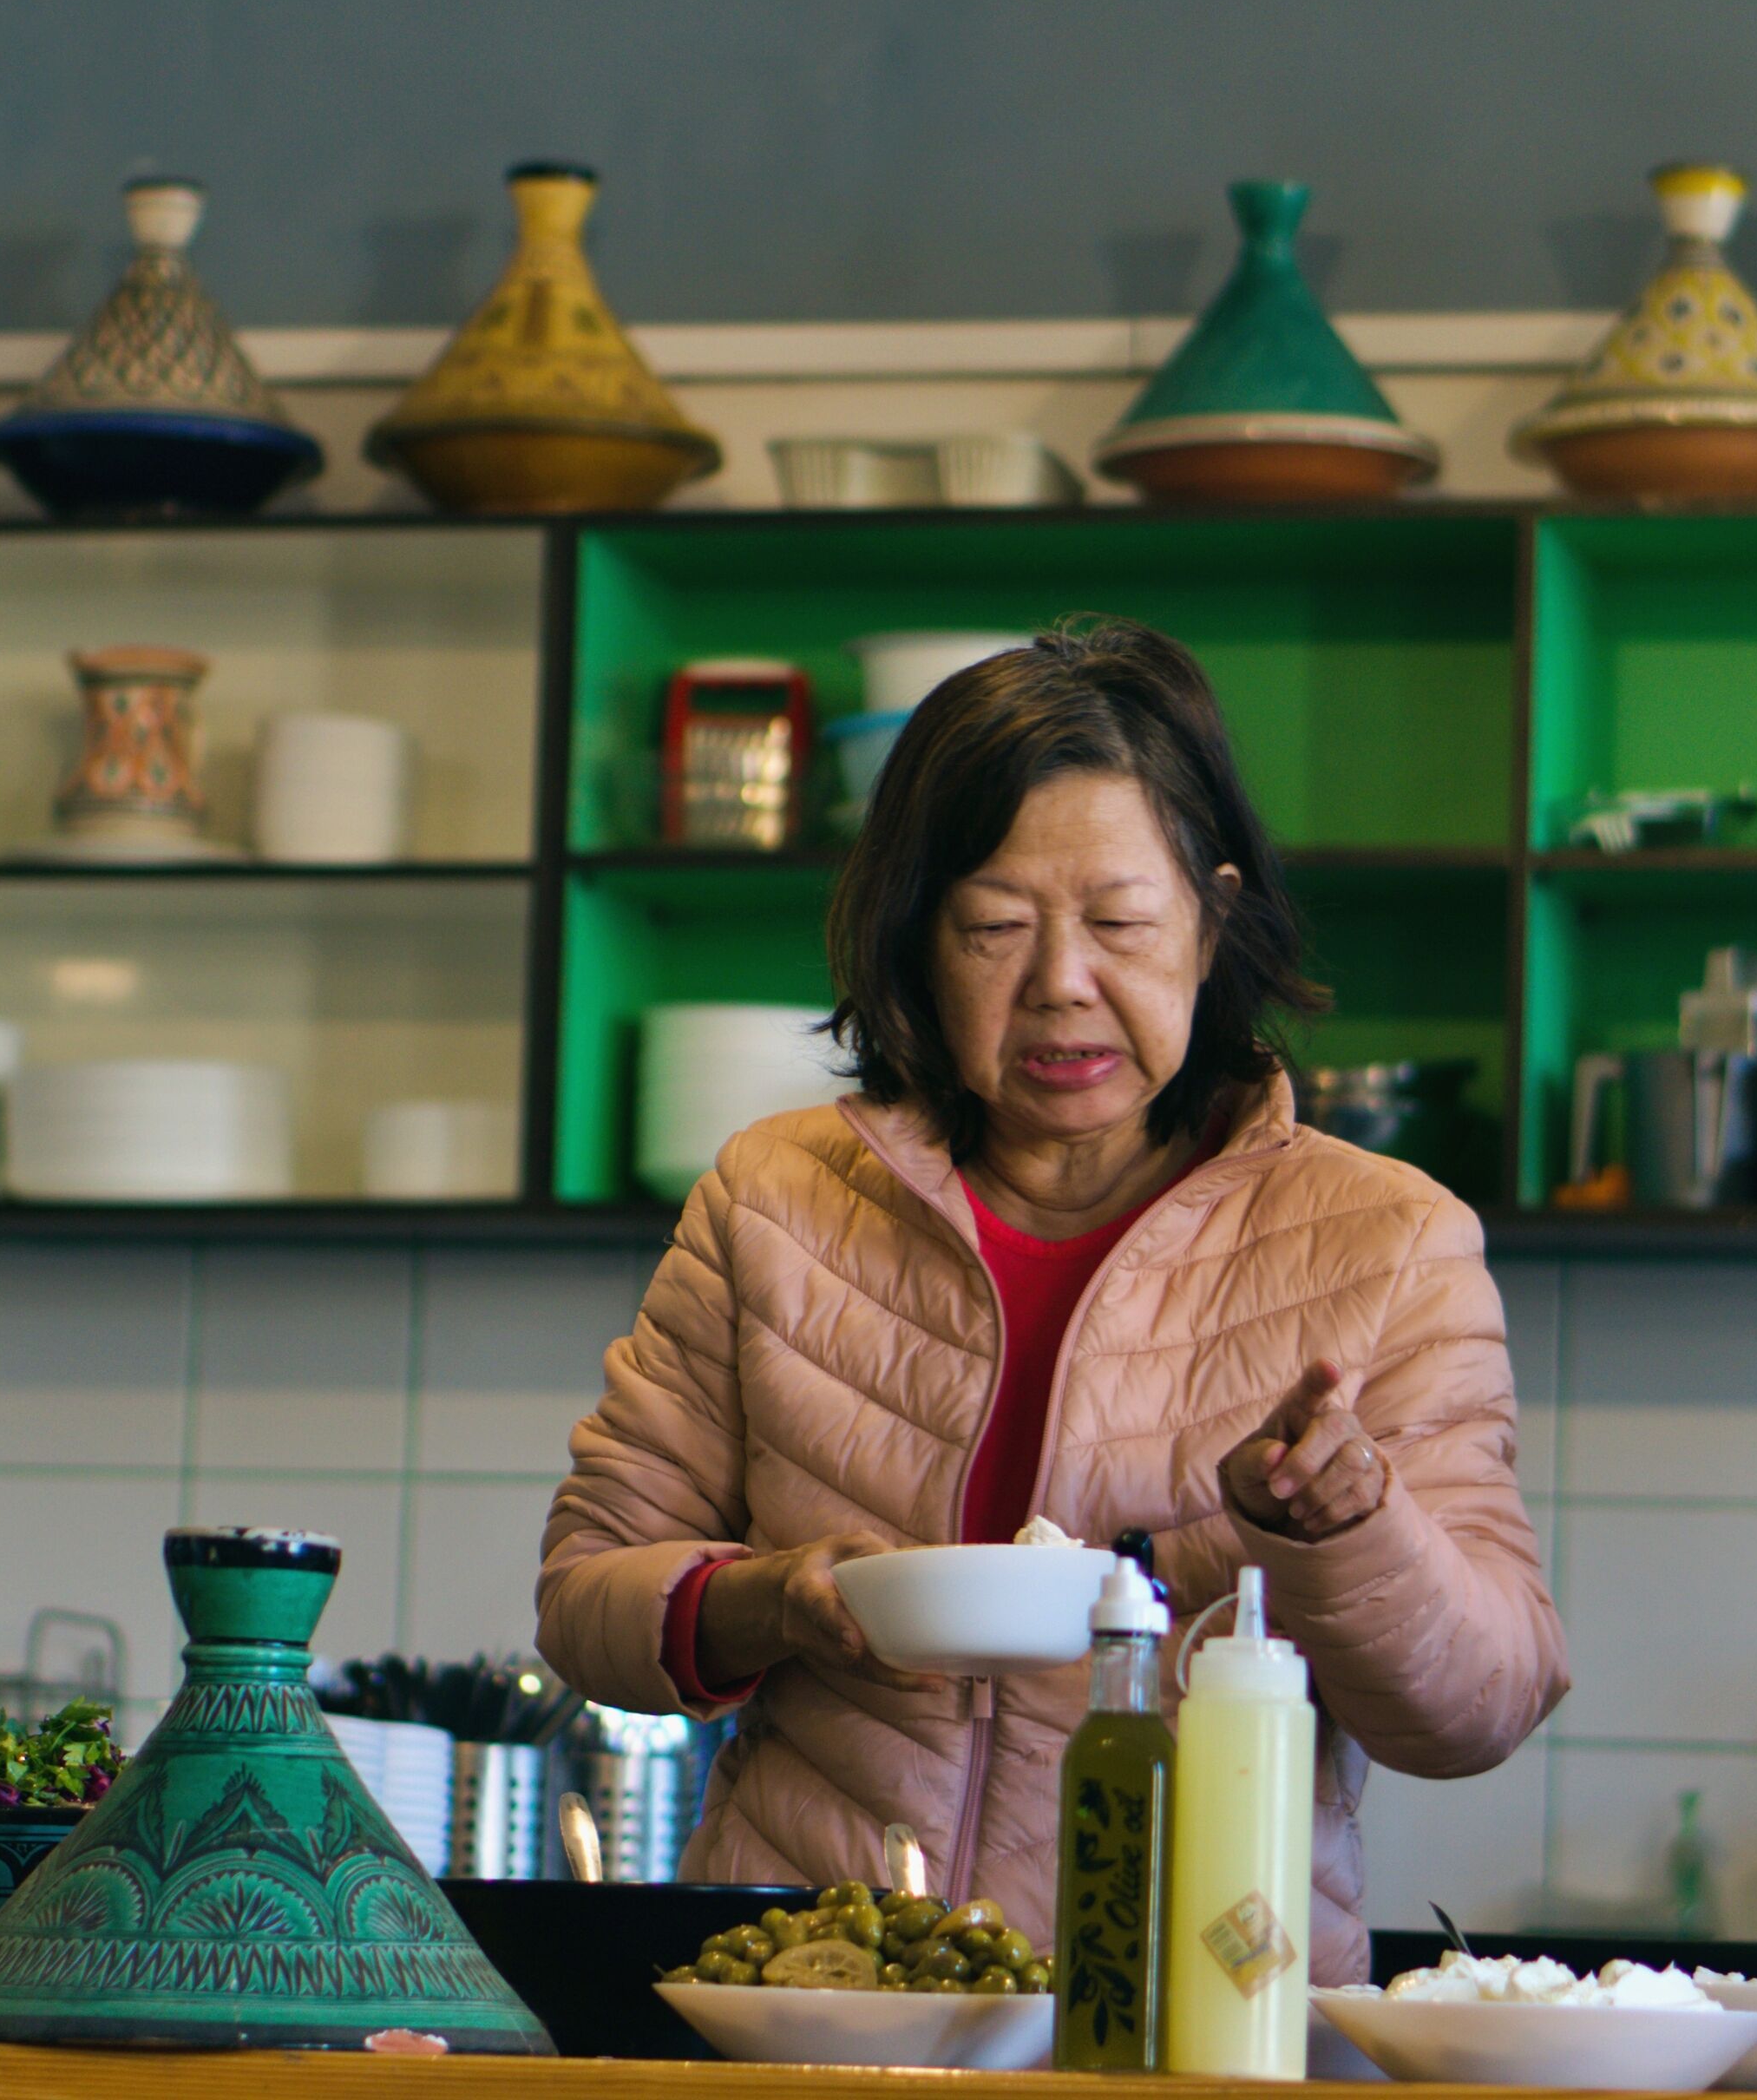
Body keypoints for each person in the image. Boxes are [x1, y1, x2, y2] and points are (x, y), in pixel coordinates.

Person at [539, 620, 1564, 1983]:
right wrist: (772, 1602)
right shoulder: (775, 1200)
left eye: (1120, 923)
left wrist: (1349, 1526)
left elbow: (1483, 1706)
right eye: (995, 928)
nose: (1061, 985)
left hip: (1199, 2016)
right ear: (917, 938)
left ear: (1213, 919)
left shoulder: (1388, 1239)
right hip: (824, 2004)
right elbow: (586, 1598)